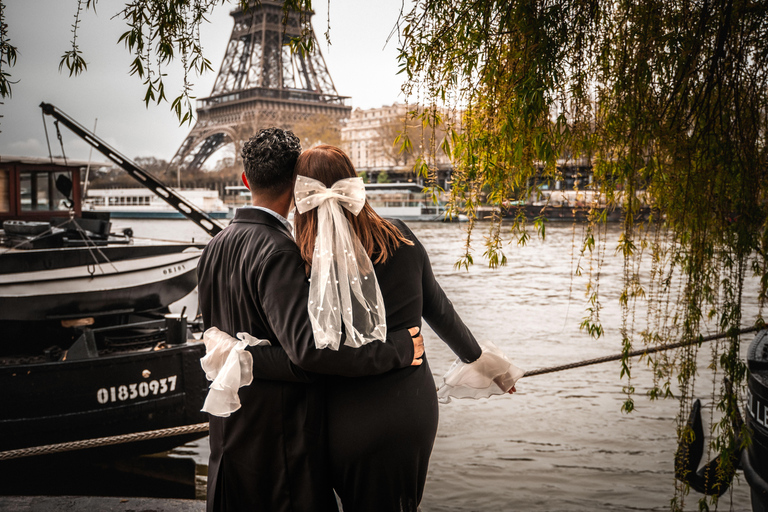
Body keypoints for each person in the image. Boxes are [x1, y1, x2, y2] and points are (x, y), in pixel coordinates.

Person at [244, 145, 520, 512]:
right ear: (354, 183)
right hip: (412, 409)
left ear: (302, 194)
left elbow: (303, 347)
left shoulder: (302, 260)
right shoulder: (400, 235)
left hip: (347, 416)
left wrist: (244, 356)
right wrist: (487, 365)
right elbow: (440, 310)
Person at [196, 129, 425, 512]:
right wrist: (398, 350)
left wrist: (235, 355)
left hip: (230, 431)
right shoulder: (280, 251)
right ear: (298, 186)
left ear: (245, 180)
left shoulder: (214, 247)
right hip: (280, 442)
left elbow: (212, 337)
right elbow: (310, 354)